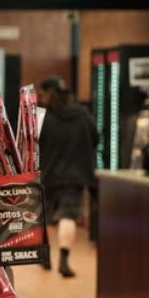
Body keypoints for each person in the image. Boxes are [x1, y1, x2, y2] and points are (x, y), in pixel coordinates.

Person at [38, 76, 99, 278]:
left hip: (47, 175)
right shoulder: (83, 115)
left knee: (44, 218)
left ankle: (44, 256)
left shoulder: (44, 115)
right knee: (68, 216)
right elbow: (95, 139)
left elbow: (33, 143)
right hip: (75, 176)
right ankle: (64, 260)